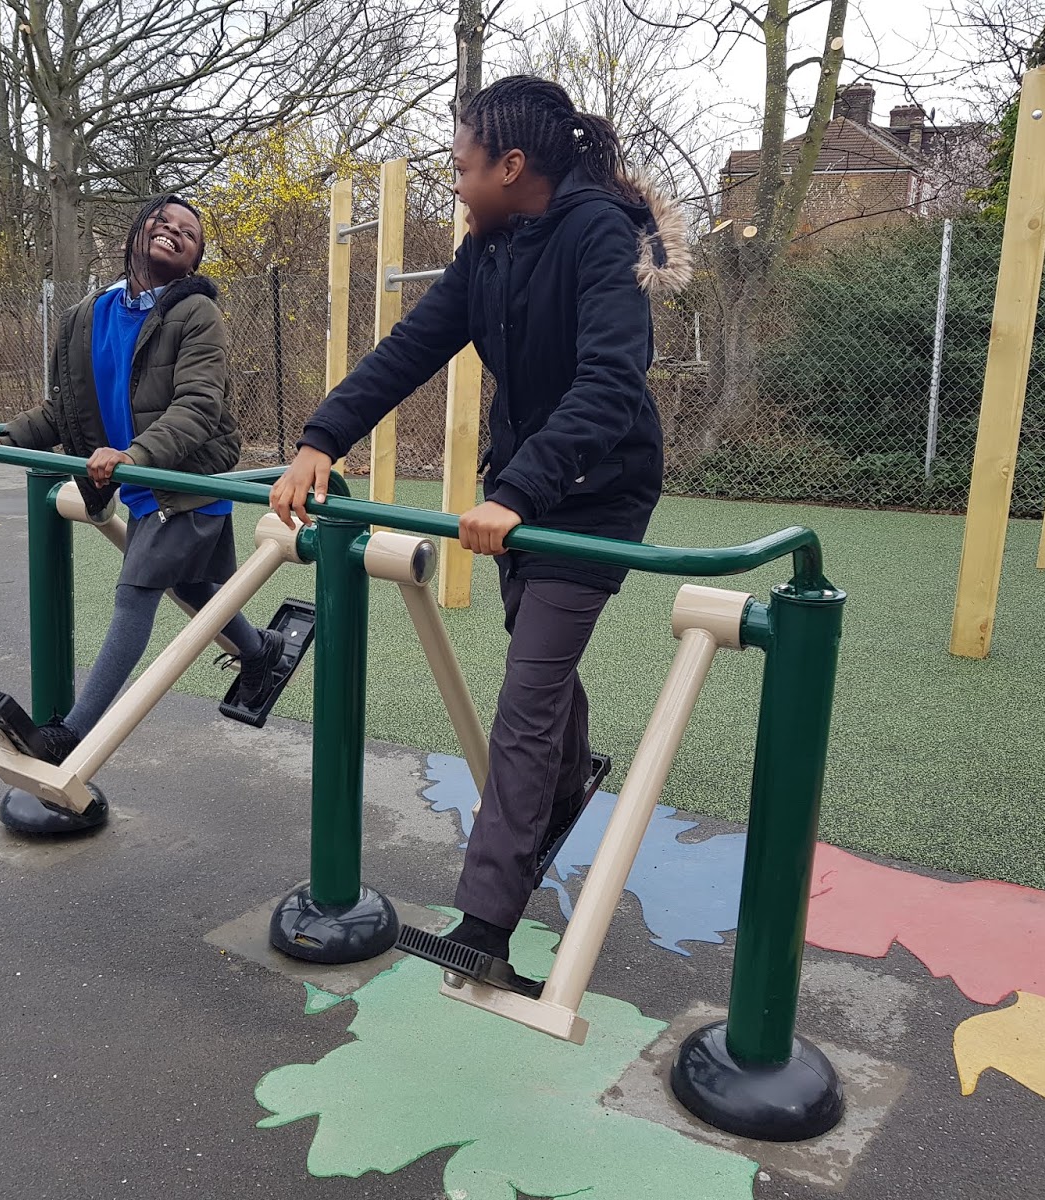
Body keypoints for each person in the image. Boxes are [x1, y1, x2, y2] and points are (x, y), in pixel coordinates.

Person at [270, 76, 691, 990]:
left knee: (528, 694)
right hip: (523, 495)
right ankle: (573, 778)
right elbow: (408, 351)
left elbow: (613, 382)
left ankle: (486, 926)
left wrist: (526, 489)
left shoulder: (599, 236)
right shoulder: (488, 252)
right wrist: (319, 438)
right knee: (540, 665)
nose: (454, 182)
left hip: (594, 493)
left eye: (461, 165)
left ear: (511, 163)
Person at [0, 195, 296, 765]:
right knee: (189, 586)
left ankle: (69, 735)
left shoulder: (195, 315)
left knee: (136, 592)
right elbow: (68, 409)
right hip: (136, 476)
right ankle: (260, 649)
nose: (173, 231)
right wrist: (10, 438)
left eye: (189, 231)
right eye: (163, 221)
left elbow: (198, 407)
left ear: (194, 261)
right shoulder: (89, 314)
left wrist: (134, 454)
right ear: (136, 233)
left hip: (186, 476)